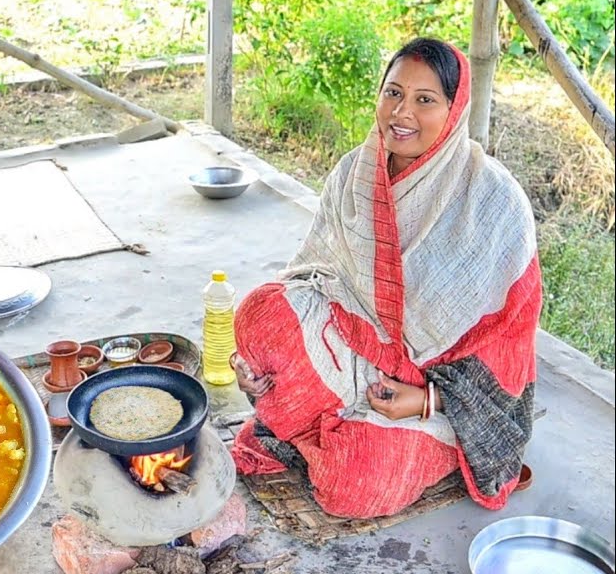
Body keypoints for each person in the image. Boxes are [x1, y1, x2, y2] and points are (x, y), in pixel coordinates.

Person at [228, 38, 541, 519]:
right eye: (393, 92)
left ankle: (337, 429)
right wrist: (257, 358)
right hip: (354, 351)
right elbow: (315, 276)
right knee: (260, 312)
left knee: (351, 485)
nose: (402, 112)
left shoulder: (494, 201)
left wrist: (427, 400)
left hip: (436, 394)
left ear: (454, 110)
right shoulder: (355, 173)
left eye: (425, 99)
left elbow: (506, 352)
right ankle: (327, 418)